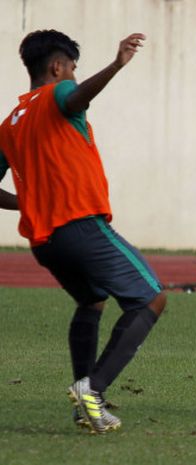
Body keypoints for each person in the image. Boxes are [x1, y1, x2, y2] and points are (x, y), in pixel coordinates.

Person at [0, 30, 166, 434]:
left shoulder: (9, 124)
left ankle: (85, 408)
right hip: (79, 226)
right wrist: (116, 66)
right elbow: (75, 98)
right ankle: (93, 388)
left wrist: (29, 199)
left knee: (91, 302)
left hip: (44, 241)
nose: (74, 74)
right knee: (151, 299)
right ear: (58, 67)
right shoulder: (59, 94)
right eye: (72, 67)